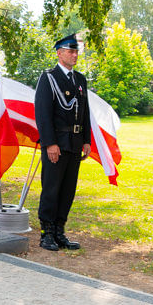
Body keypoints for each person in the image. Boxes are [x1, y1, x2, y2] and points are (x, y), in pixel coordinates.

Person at [34, 33, 91, 252]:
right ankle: (46, 232)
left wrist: (86, 140)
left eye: (76, 51)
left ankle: (59, 231)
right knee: (51, 188)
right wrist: (49, 143)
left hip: (75, 143)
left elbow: (85, 113)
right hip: (57, 141)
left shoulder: (80, 80)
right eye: (70, 51)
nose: (75, 55)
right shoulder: (48, 77)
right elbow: (43, 113)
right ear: (59, 53)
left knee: (68, 190)